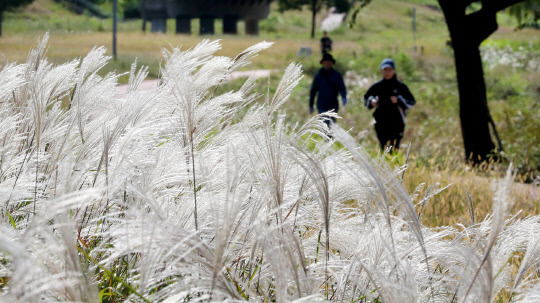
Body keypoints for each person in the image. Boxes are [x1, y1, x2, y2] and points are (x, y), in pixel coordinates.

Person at [364, 58, 416, 151]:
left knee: (394, 149)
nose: (387, 72)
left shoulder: (400, 86)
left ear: (394, 71)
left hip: (397, 123)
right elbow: (366, 97)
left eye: (389, 70)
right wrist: (372, 101)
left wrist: (398, 100)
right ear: (381, 71)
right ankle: (382, 165)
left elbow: (411, 102)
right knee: (383, 148)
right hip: (381, 122)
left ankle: (395, 165)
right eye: (385, 70)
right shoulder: (377, 86)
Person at [309, 53, 347, 126]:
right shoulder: (318, 76)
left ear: (332, 63)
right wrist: (311, 105)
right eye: (326, 61)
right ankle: (326, 136)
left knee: (332, 124)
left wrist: (344, 97)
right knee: (324, 123)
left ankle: (330, 137)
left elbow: (342, 88)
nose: (328, 63)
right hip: (321, 105)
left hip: (333, 104)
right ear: (323, 63)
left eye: (329, 61)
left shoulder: (337, 75)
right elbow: (313, 91)